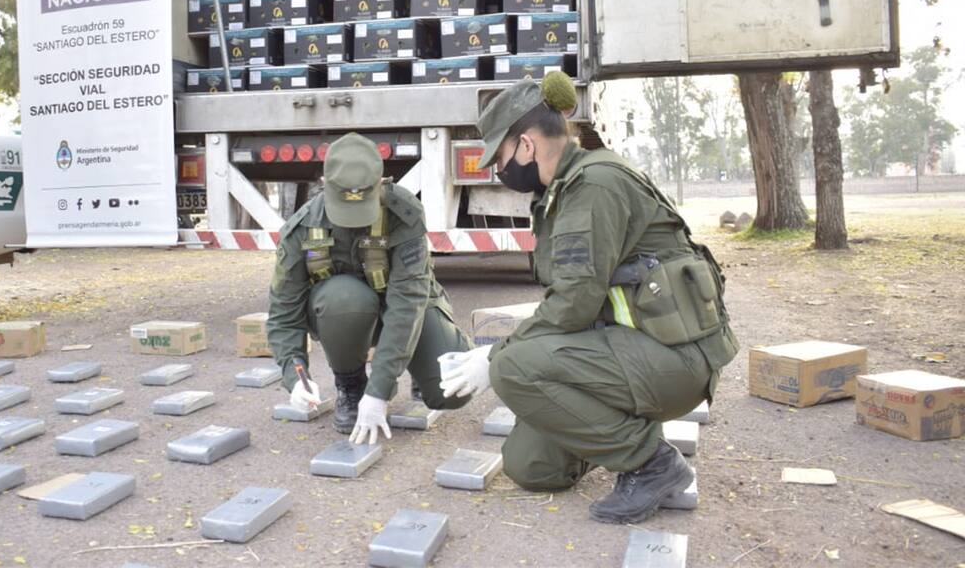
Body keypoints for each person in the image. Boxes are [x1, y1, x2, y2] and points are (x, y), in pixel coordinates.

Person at [439, 74, 739, 525]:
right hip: (640, 347)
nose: (499, 170)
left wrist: (496, 354)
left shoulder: (593, 185)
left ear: (526, 146)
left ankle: (652, 464)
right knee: (532, 466)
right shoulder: (564, 188)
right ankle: (619, 431)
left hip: (674, 359)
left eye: (499, 158)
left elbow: (574, 301)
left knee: (512, 367)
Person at [267, 132, 474, 445]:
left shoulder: (404, 214)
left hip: (405, 311)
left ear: (380, 183)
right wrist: (295, 375)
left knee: (453, 389)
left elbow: (408, 303)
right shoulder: (302, 228)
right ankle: (351, 385)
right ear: (323, 184)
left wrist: (380, 390)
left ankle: (416, 368)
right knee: (343, 297)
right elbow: (283, 313)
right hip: (346, 314)